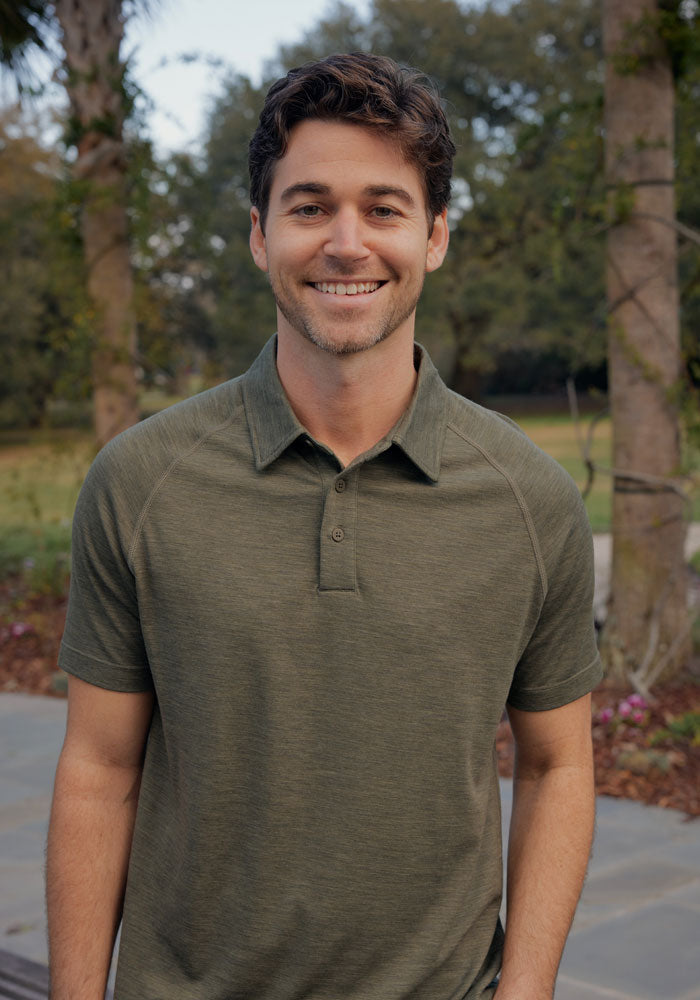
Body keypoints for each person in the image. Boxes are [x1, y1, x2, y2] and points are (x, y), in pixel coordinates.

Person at [47, 52, 602, 1000]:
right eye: (310, 207)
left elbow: (556, 769)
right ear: (261, 236)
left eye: (384, 209)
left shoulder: (529, 498)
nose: (348, 243)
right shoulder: (140, 481)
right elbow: (100, 768)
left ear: (435, 238)